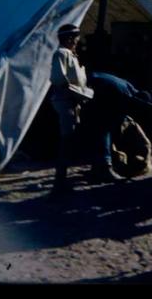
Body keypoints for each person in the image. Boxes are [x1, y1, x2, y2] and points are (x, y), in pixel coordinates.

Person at [49, 23, 94, 195]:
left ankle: (63, 179)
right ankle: (59, 182)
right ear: (69, 39)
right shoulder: (61, 54)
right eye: (75, 38)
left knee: (70, 139)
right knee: (66, 140)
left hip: (72, 101)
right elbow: (60, 81)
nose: (77, 41)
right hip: (65, 100)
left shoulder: (70, 55)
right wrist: (85, 95)